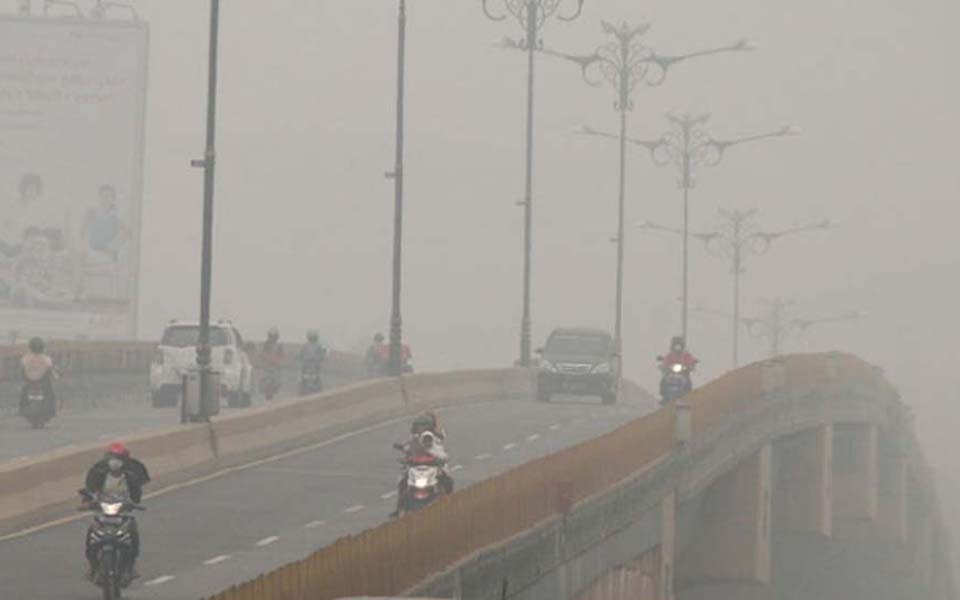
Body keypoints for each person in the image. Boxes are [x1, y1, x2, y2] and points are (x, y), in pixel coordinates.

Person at [83, 442, 151, 579]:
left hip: (123, 514)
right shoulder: (99, 473)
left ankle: (130, 567)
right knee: (91, 537)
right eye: (112, 458)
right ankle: (93, 567)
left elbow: (136, 497)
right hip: (103, 513)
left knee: (132, 535)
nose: (115, 462)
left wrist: (132, 504)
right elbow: (90, 490)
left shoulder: (131, 476)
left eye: (118, 458)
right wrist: (90, 501)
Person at [19, 336, 57, 418]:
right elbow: (50, 369)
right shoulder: (46, 358)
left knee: (23, 393)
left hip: (30, 381)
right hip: (42, 381)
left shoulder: (26, 358)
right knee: (50, 394)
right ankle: (51, 411)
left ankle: (21, 410)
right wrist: (55, 376)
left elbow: (22, 369)